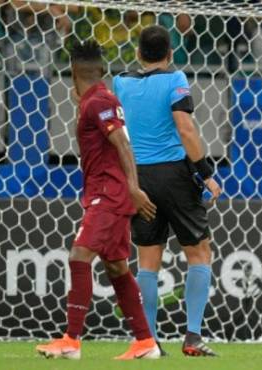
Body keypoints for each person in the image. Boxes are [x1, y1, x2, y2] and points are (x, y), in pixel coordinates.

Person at [35, 41, 160, 360]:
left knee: (79, 256)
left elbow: (122, 144)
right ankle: (145, 342)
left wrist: (133, 187)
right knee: (117, 268)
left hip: (109, 194)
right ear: (101, 70)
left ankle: (71, 340)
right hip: (108, 193)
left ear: (74, 71)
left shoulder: (98, 102)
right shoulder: (98, 100)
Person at [112, 25, 222, 357]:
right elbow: (185, 128)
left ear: (137, 52)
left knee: (147, 260)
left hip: (139, 176)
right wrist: (206, 173)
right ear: (171, 52)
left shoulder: (121, 82)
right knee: (199, 253)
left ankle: (148, 341)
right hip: (175, 174)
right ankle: (192, 337)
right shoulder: (175, 79)